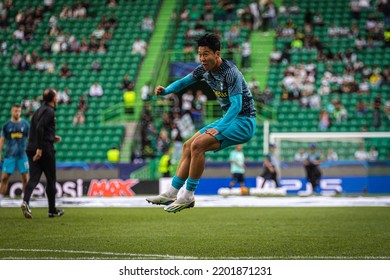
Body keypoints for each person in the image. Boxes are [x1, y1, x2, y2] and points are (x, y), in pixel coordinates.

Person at [146, 33, 256, 213]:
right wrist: (166, 90)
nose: (202, 58)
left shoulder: (231, 73)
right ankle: (172, 193)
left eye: (206, 54)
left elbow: (236, 106)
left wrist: (218, 127)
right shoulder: (203, 70)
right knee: (188, 145)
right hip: (228, 119)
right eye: (200, 54)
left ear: (217, 54)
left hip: (244, 122)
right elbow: (183, 82)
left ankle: (188, 195)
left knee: (198, 145)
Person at [21, 88, 64, 219]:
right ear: (53, 99)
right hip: (44, 149)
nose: (57, 98)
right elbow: (40, 127)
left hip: (32, 147)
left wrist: (51, 136)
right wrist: (40, 148)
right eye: (56, 96)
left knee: (34, 178)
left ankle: (25, 201)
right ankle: (52, 210)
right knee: (51, 180)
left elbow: (36, 128)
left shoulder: (39, 110)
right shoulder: (49, 111)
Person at [0, 104, 30, 205]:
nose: (17, 113)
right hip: (10, 155)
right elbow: (2, 140)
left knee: (25, 177)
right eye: (15, 111)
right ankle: (0, 197)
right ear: (11, 111)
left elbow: (30, 139)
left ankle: (25, 199)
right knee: (4, 177)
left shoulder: (25, 125)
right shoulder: (6, 125)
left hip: (23, 155)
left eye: (19, 111)